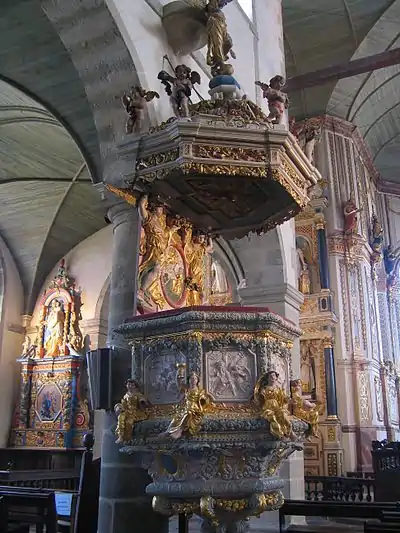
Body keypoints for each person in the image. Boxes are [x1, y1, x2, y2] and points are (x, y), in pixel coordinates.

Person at [163, 371, 213, 439]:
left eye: (194, 379)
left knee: (188, 413)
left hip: (194, 407)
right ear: (189, 380)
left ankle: (179, 430)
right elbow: (181, 391)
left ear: (197, 381)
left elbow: (205, 400)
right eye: (191, 379)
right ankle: (169, 431)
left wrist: (203, 399)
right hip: (186, 406)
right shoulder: (187, 390)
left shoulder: (200, 391)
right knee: (177, 416)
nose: (193, 380)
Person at [253, 370, 294, 439]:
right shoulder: (264, 388)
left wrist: (290, 400)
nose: (272, 377)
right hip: (268, 407)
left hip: (277, 407)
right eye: (270, 376)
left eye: (274, 376)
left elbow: (284, 397)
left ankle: (289, 431)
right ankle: (280, 434)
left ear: (276, 378)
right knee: (273, 418)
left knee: (283, 414)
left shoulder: (278, 389)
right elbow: (260, 397)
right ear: (267, 378)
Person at [114, 379, 149, 444]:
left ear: (135, 386)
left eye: (132, 385)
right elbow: (124, 405)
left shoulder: (137, 394)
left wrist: (142, 402)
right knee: (121, 416)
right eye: (128, 384)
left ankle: (127, 437)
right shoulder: (126, 395)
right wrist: (118, 407)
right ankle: (121, 435)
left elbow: (143, 401)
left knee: (129, 421)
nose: (130, 386)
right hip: (127, 412)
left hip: (136, 412)